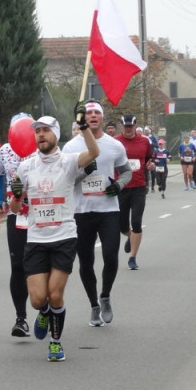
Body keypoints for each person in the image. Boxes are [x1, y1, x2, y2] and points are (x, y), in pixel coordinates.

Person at [9, 108, 99, 362]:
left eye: (45, 130)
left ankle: (56, 342)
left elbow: (94, 153)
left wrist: (84, 128)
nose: (40, 135)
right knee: (38, 299)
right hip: (36, 239)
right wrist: (17, 194)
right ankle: (45, 312)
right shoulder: (26, 167)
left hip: (64, 237)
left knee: (56, 294)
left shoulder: (68, 161)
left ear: (55, 134)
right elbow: (15, 210)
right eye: (37, 132)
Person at [64, 100, 131, 326]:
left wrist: (119, 186)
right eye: (88, 113)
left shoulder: (114, 145)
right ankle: (93, 305)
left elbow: (126, 172)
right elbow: (64, 180)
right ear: (82, 118)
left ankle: (105, 296)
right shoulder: (71, 147)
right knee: (86, 262)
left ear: (102, 118)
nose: (92, 116)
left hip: (108, 210)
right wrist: (83, 173)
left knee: (111, 256)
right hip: (81, 212)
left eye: (96, 113)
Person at [0, 113, 34, 337]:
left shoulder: (42, 148)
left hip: (42, 216)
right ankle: (21, 318)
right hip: (16, 214)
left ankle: (45, 309)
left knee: (39, 266)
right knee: (18, 266)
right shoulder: (5, 150)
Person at [116, 114, 154, 271]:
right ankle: (131, 236)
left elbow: (149, 159)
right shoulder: (115, 142)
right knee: (122, 225)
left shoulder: (144, 141)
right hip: (122, 187)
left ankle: (132, 257)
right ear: (122, 126)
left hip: (139, 186)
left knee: (137, 222)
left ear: (135, 126)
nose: (128, 129)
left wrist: (151, 166)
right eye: (126, 127)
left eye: (131, 126)